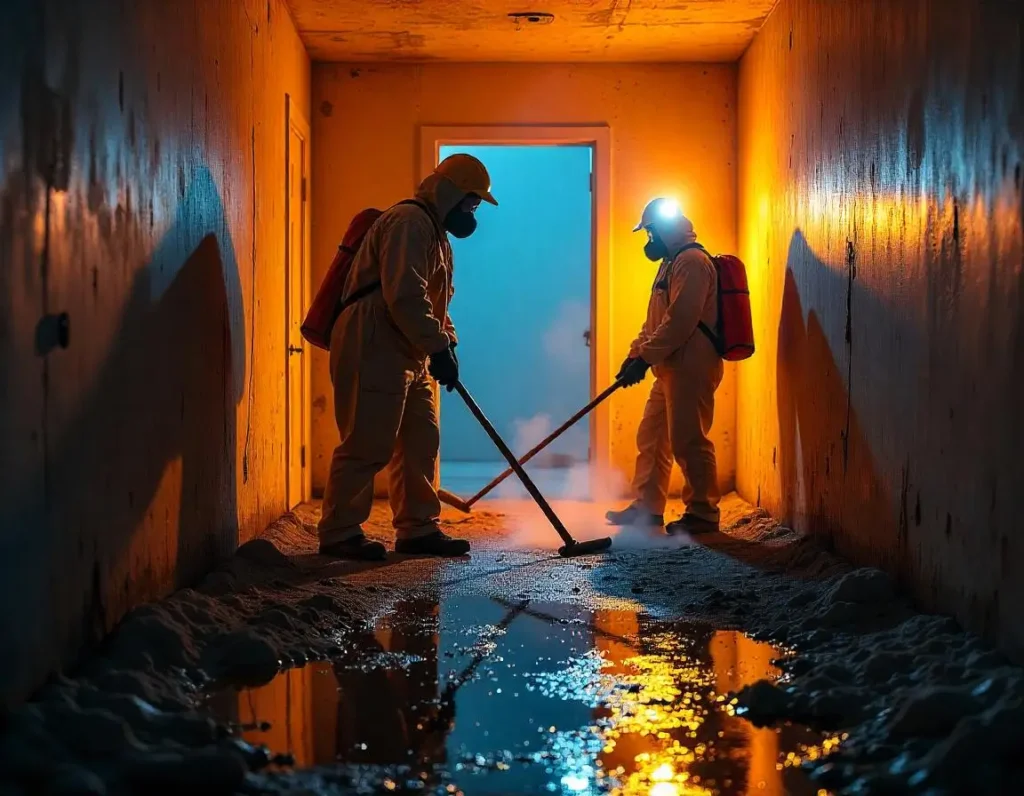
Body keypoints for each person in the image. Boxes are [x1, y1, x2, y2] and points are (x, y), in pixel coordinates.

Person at [318, 153, 497, 560]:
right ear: (451, 193)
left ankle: (418, 528)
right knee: (368, 439)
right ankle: (339, 532)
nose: (473, 212)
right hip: (374, 339)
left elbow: (437, 303)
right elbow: (405, 295)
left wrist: (446, 343)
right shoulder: (409, 223)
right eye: (472, 202)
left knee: (421, 440)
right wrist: (436, 345)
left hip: (409, 347)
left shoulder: (436, 237)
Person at [608, 198, 724, 535]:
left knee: (688, 439)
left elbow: (680, 321)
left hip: (691, 367)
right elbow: (654, 322)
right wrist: (635, 355)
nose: (648, 241)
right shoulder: (671, 264)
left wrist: (645, 359)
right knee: (653, 435)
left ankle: (703, 512)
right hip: (671, 365)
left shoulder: (692, 262)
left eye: (649, 233)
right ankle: (647, 507)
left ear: (664, 230)